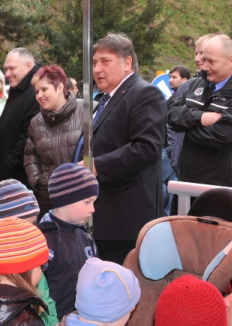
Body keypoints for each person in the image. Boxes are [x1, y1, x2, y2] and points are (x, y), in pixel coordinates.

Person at [76, 33, 166, 265]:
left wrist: (95, 165)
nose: (97, 69)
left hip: (126, 220)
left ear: (127, 63)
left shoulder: (144, 93)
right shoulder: (108, 98)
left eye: (105, 61)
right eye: (95, 62)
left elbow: (147, 147)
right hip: (107, 214)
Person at [167, 34, 232, 188]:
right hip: (185, 180)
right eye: (204, 60)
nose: (205, 66)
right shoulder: (194, 84)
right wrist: (200, 118)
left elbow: (222, 134)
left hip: (218, 185)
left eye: (211, 61)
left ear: (231, 60)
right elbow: (169, 113)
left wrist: (184, 126)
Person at [0, 179, 59, 326]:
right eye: (25, 225)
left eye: (33, 224)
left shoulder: (32, 264)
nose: (32, 230)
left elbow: (47, 302)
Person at [39, 163, 98, 320]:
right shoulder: (46, 239)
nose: (93, 209)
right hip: (54, 321)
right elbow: (36, 286)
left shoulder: (86, 236)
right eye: (87, 202)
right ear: (65, 200)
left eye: (93, 202)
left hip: (82, 318)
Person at [23, 65, 83, 215]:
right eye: (37, 91)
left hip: (84, 199)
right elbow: (30, 155)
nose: (39, 95)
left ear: (60, 87)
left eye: (44, 89)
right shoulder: (36, 123)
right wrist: (38, 182)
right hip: (50, 202)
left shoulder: (87, 111)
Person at [0, 48, 42, 185]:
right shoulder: (19, 88)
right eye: (6, 69)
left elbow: (28, 138)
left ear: (28, 66)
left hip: (18, 180)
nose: (7, 74)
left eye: (12, 69)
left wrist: (8, 167)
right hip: (8, 174)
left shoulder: (35, 94)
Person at [161, 65, 191, 215]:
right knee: (172, 186)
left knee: (157, 181)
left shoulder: (185, 98)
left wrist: (172, 150)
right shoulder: (174, 97)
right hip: (171, 150)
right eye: (170, 77)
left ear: (185, 80)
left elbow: (174, 127)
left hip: (169, 149)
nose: (170, 81)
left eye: (174, 77)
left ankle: (165, 216)